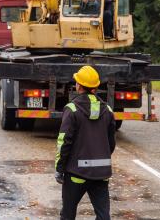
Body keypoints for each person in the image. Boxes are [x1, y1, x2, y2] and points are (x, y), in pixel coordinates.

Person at [55, 65, 116, 220]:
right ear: (95, 88)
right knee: (103, 216)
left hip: (76, 174)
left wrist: (60, 168)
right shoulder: (108, 110)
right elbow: (111, 143)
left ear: (78, 86)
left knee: (68, 214)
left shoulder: (72, 109)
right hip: (101, 174)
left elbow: (64, 142)